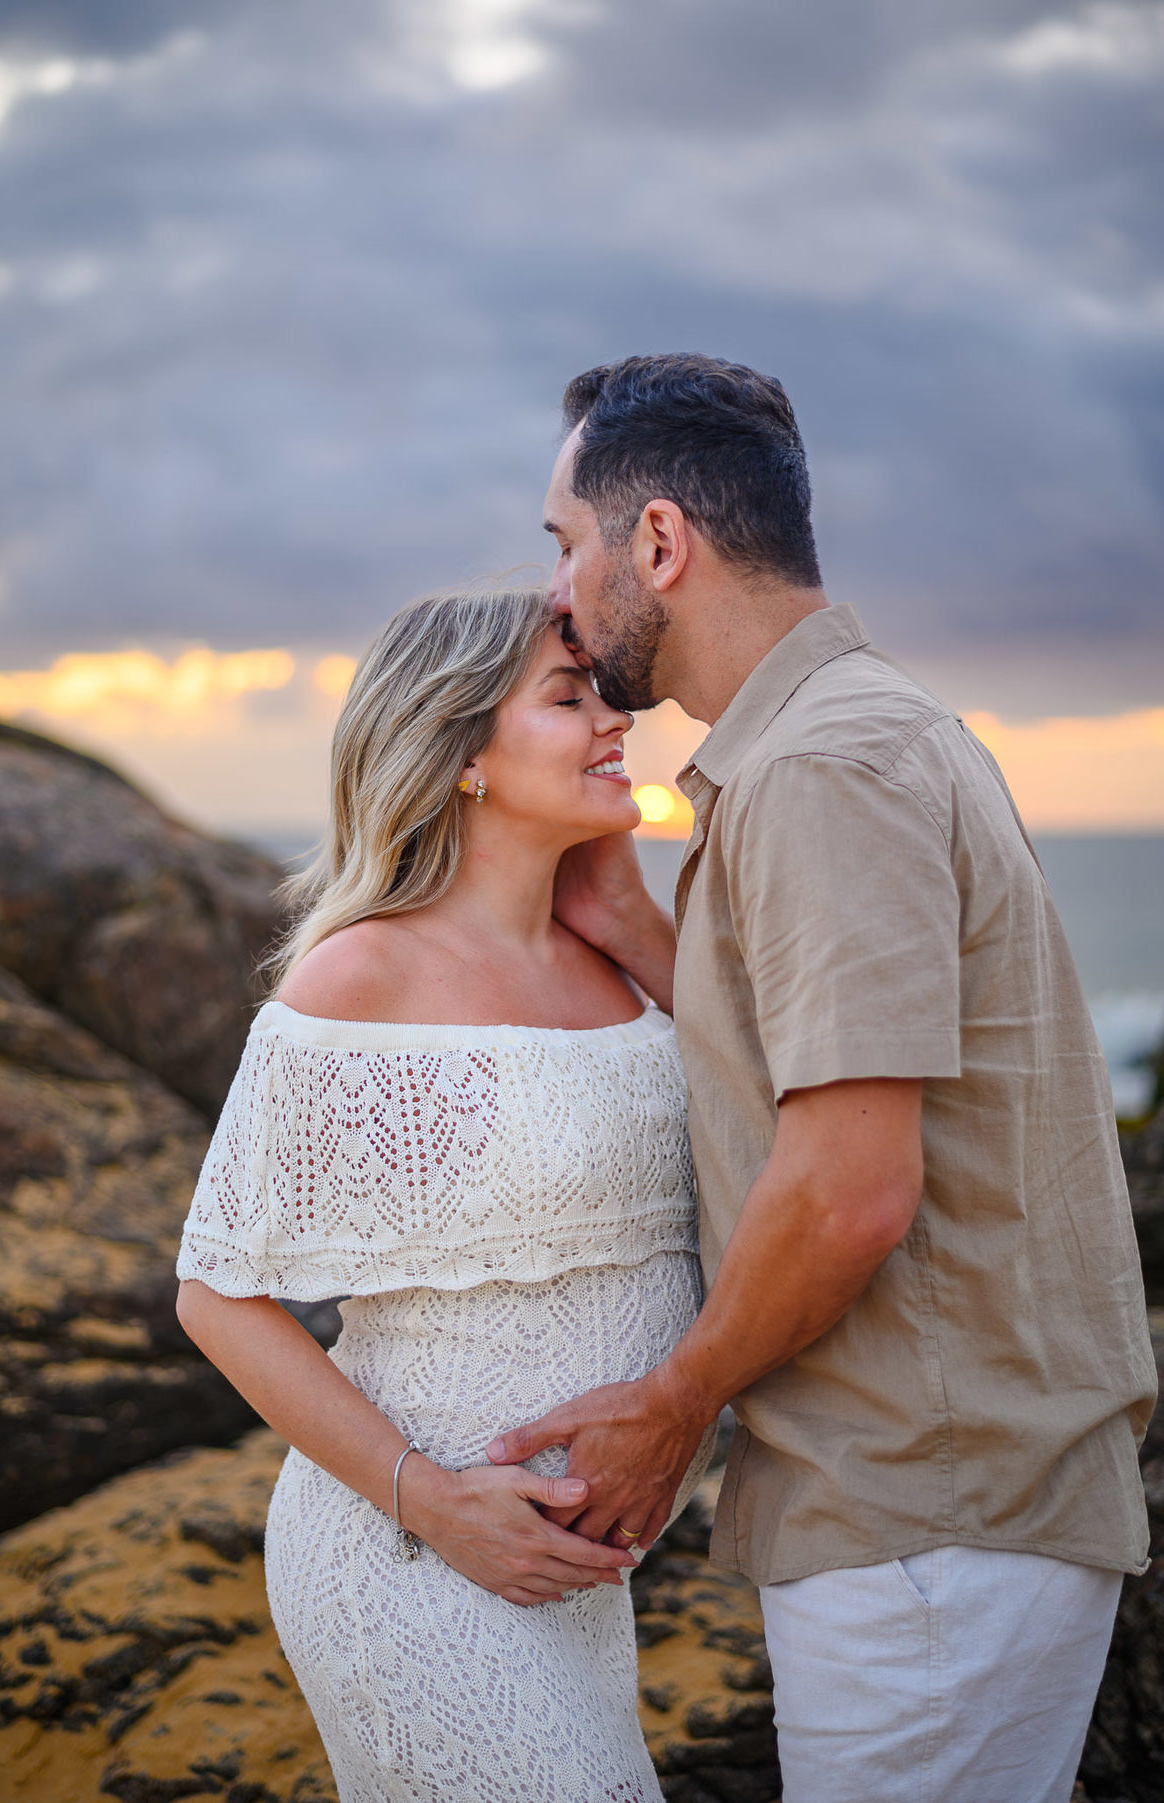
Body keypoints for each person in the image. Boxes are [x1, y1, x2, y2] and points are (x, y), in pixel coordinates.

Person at [486, 353, 1157, 1803]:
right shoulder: (849, 735)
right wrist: (629, 928)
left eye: (565, 543)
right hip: (952, 1506)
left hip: (934, 1513)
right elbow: (805, 1063)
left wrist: (674, 1402)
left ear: (658, 542)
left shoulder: (823, 771)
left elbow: (851, 1186)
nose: (554, 591)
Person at [175, 583, 716, 1803]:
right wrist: (430, 1503)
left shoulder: (624, 971)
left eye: (608, 696)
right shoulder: (361, 977)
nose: (613, 722)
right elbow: (218, 1292)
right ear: (464, 747)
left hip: (576, 1577)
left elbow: (772, 1117)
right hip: (411, 1559)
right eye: (568, 698)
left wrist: (633, 916)